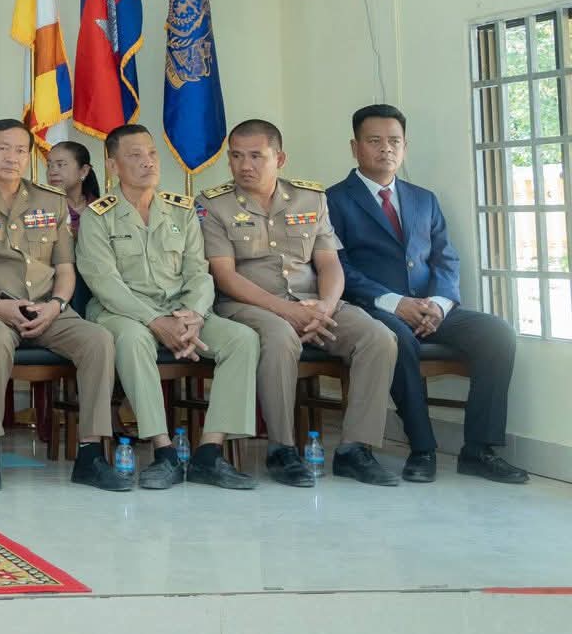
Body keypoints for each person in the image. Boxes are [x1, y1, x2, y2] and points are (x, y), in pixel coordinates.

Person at [326, 104, 526, 484]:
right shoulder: (332, 201)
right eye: (374, 141)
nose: (386, 149)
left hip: (430, 307)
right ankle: (422, 448)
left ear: (405, 146)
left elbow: (446, 259)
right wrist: (395, 303)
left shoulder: (424, 199)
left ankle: (479, 450)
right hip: (374, 308)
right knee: (397, 339)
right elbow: (338, 268)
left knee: (496, 333)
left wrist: (438, 304)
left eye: (394, 141)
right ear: (355, 147)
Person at [201, 118, 400, 486]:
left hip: (311, 303)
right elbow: (225, 276)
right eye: (236, 156)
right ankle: (282, 449)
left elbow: (329, 264)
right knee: (279, 337)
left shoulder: (311, 198)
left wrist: (326, 306)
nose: (245, 165)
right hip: (246, 306)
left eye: (256, 156)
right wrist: (286, 311)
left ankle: (355, 449)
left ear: (280, 159)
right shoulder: (213, 205)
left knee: (378, 338)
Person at [0, 118, 128, 493]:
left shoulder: (50, 200)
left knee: (98, 340)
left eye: (20, 151)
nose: (12, 157)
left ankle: (91, 453)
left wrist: (56, 305)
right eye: (3, 149)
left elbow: (65, 269)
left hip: (45, 306)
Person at [74, 124, 258, 490]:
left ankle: (209, 453)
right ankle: (164, 451)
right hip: (121, 313)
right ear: (112, 165)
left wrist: (194, 316)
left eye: (152, 153)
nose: (148, 162)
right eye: (135, 155)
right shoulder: (98, 215)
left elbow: (199, 272)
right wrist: (155, 320)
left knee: (242, 339)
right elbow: (105, 283)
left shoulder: (181, 210)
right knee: (133, 340)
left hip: (180, 311)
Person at [45, 140, 101, 237]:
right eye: (49, 165)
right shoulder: (42, 208)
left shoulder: (101, 209)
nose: (52, 172)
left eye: (60, 165)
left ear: (83, 171)